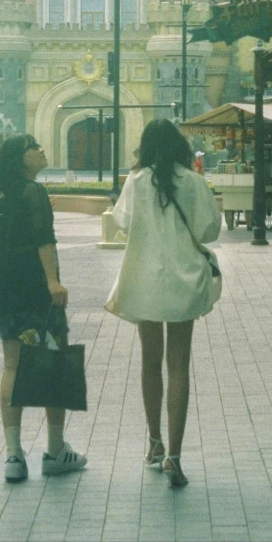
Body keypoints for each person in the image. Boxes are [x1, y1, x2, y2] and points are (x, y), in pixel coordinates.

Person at [105, 119, 221, 487]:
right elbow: (209, 231)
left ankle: (153, 442)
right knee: (179, 365)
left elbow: (121, 222)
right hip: (183, 280)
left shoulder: (136, 183)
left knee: (150, 363)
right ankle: (174, 455)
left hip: (144, 282)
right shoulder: (193, 181)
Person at [0, 134, 87, 483]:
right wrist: (52, 281)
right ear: (22, 157)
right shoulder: (34, 191)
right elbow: (43, 238)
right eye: (35, 147)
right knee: (51, 358)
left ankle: (14, 455)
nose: (42, 150)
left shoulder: (2, 193)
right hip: (34, 281)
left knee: (12, 365)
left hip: (6, 281)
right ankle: (56, 449)